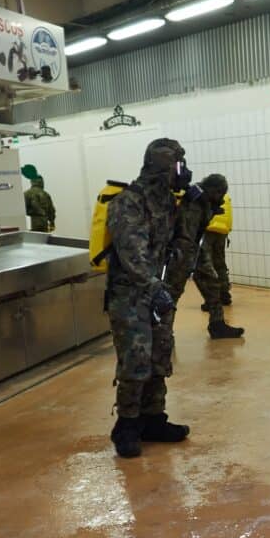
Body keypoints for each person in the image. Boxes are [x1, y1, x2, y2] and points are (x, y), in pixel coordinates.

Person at [104, 138, 193, 458]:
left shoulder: (167, 202)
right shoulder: (129, 202)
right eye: (178, 166)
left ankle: (153, 418)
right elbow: (132, 253)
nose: (183, 173)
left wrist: (198, 208)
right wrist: (154, 287)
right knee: (135, 360)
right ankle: (126, 425)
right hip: (129, 295)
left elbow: (179, 245)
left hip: (155, 292)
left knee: (159, 354)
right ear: (161, 167)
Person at [170, 173, 244, 339]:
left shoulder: (204, 199)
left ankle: (217, 325)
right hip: (181, 252)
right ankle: (163, 331)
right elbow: (186, 234)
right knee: (173, 291)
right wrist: (186, 264)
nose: (221, 198)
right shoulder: (194, 202)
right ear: (212, 190)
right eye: (220, 193)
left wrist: (211, 210)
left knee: (212, 283)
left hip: (195, 249)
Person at [198, 183, 233, 310]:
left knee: (207, 265)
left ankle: (212, 300)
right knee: (220, 263)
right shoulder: (225, 196)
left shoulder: (207, 196)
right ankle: (225, 295)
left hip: (208, 231)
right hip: (222, 233)